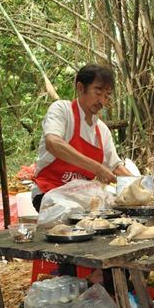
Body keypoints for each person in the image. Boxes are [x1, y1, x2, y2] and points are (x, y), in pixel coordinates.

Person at [32, 64, 132, 212]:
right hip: (50, 192)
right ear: (80, 87)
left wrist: (138, 184)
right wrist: (97, 168)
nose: (102, 102)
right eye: (98, 93)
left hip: (80, 196)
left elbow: (116, 166)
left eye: (106, 96)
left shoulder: (102, 130)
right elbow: (53, 143)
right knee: (75, 219)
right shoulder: (62, 110)